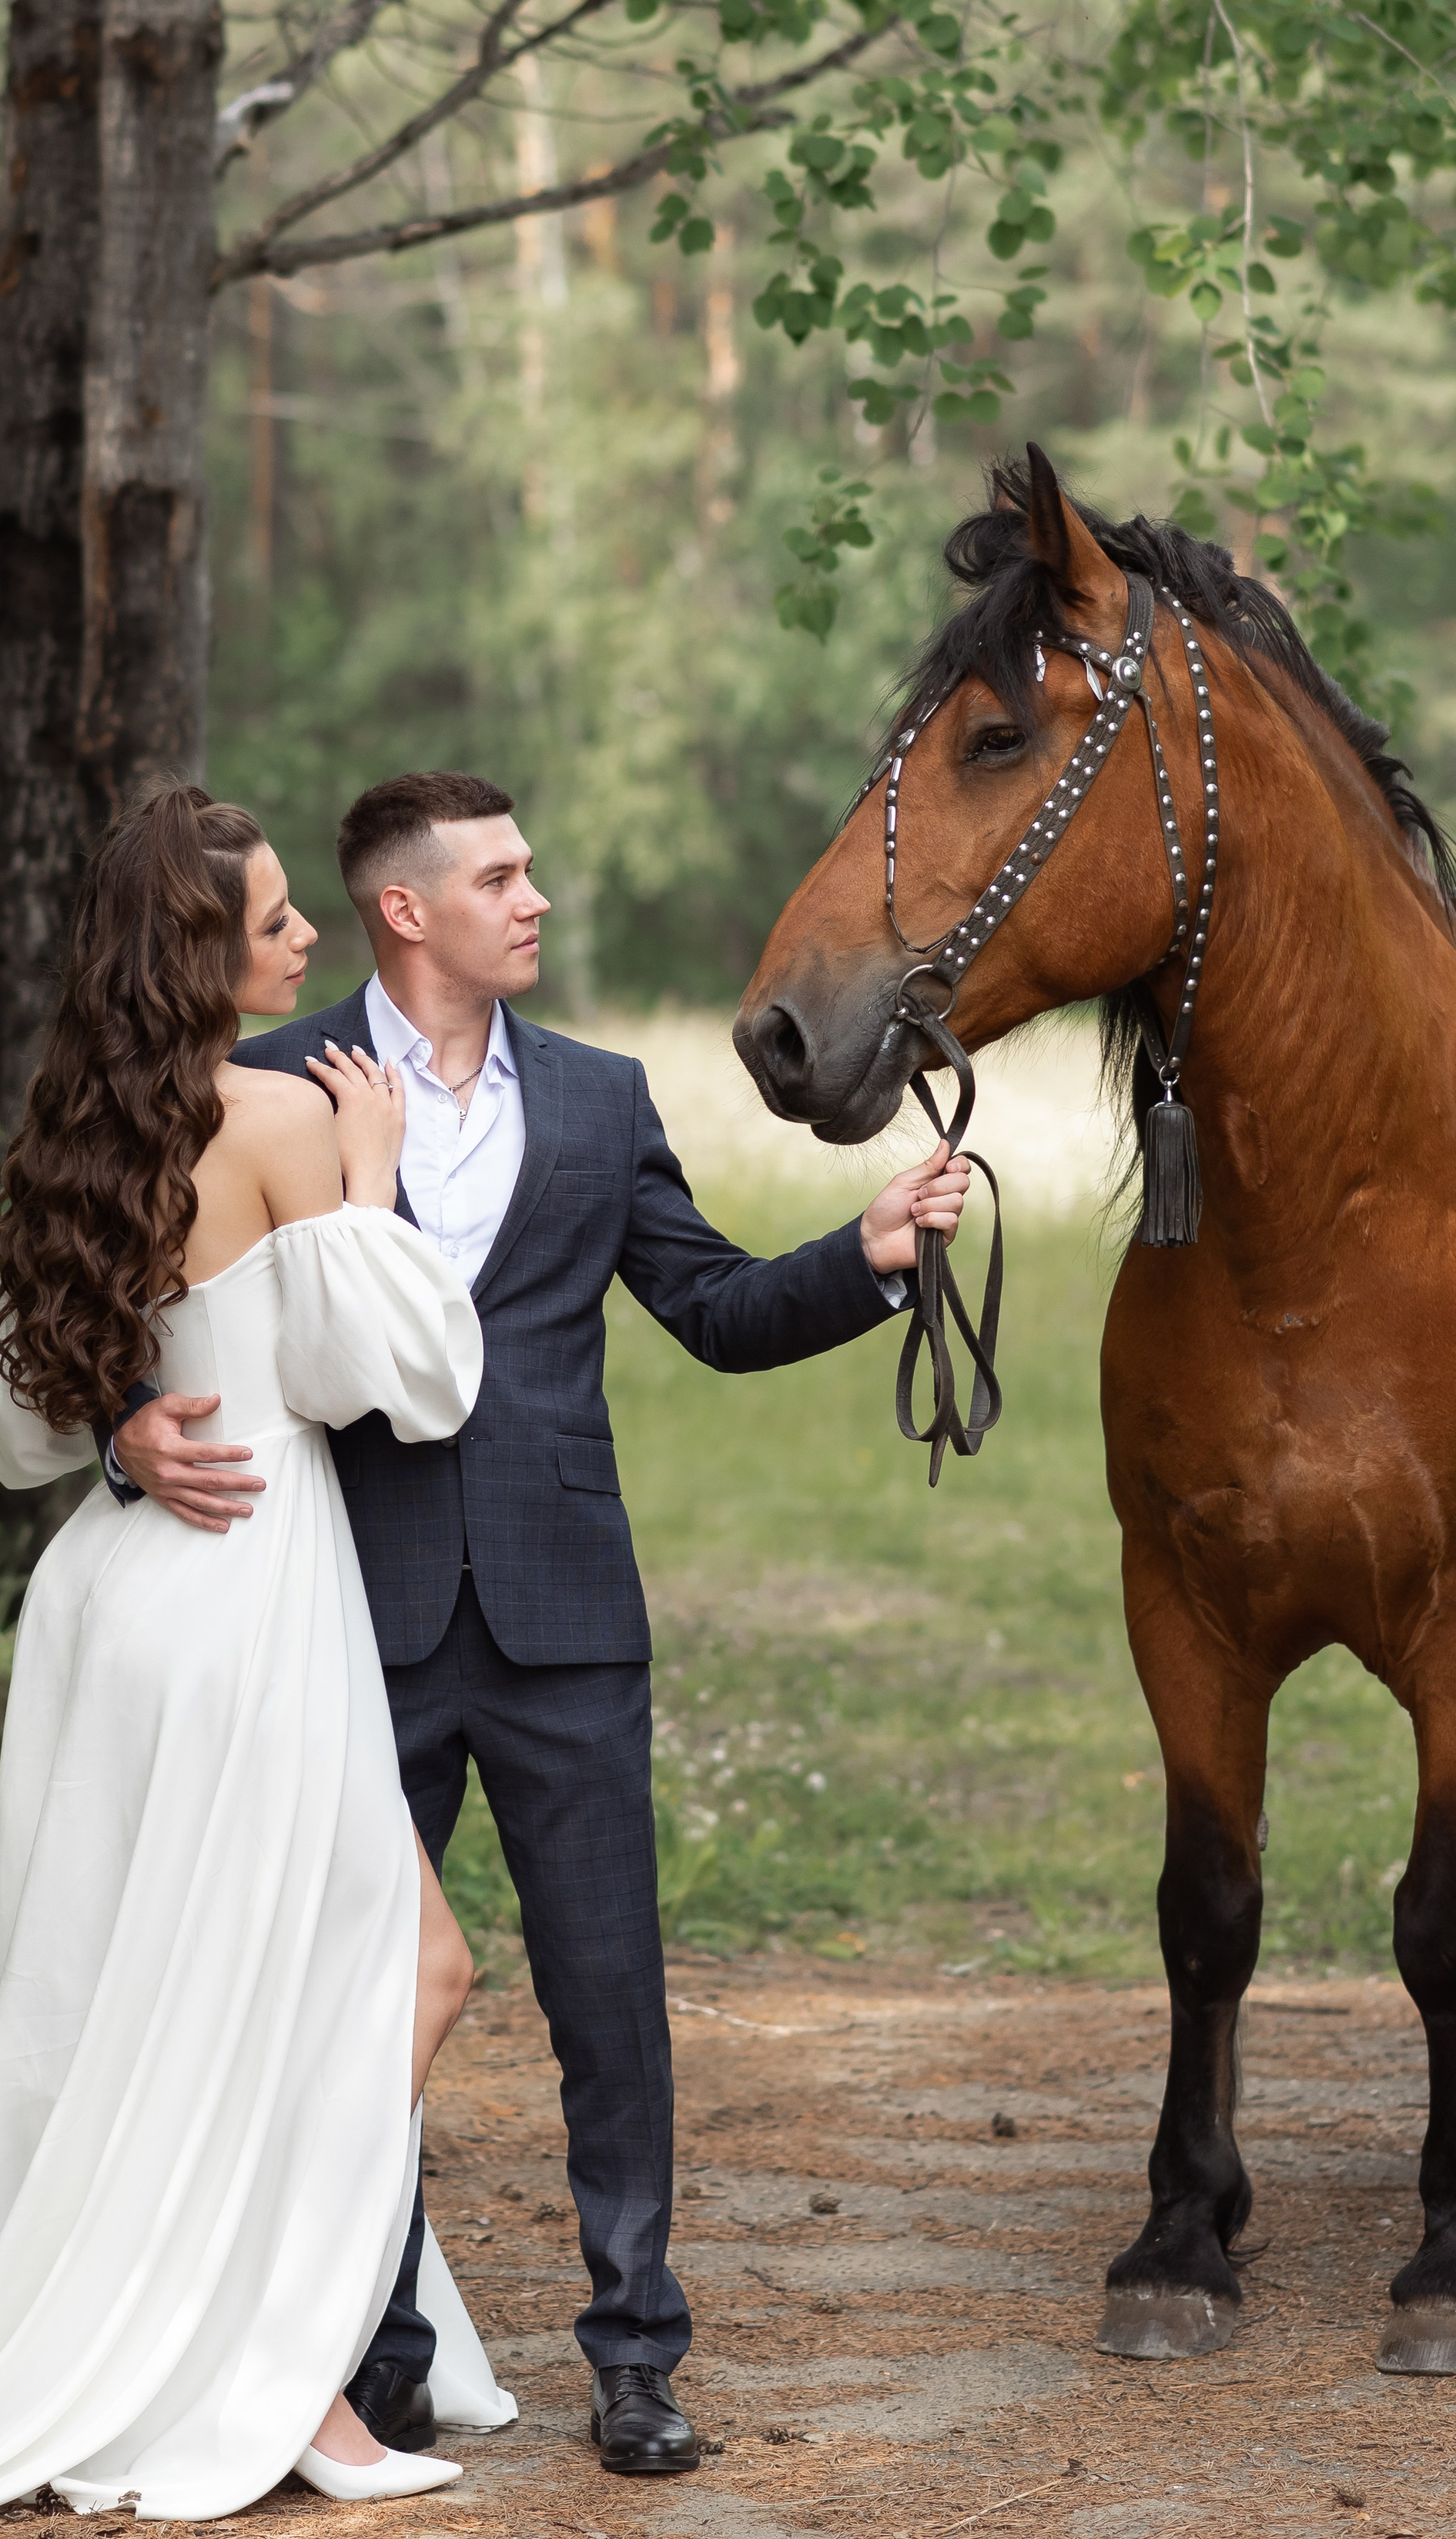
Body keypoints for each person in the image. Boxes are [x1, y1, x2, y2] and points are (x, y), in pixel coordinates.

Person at [105, 769, 970, 2479]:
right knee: (353, 1999)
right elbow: (131, 1286)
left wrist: (864, 1254)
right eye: (500, 878)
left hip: (567, 1612)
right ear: (405, 909)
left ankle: (637, 2355)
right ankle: (376, 2355)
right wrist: (126, 1422)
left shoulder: (596, 1096)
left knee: (608, 2000)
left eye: (530, 872)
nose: (536, 901)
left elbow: (710, 1305)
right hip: (343, 1608)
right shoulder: (272, 1081)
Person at [0, 785, 518, 2524]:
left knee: (152, 1993)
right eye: (275, 919)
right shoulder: (290, 1118)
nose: (303, 938)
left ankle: (208, 2345)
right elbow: (407, 1381)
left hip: (113, 1595)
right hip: (247, 1593)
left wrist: (124, 1424)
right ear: (200, 956)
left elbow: (7, 1422)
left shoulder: (74, 1129)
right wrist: (375, 1180)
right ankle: (284, 2377)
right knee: (399, 1970)